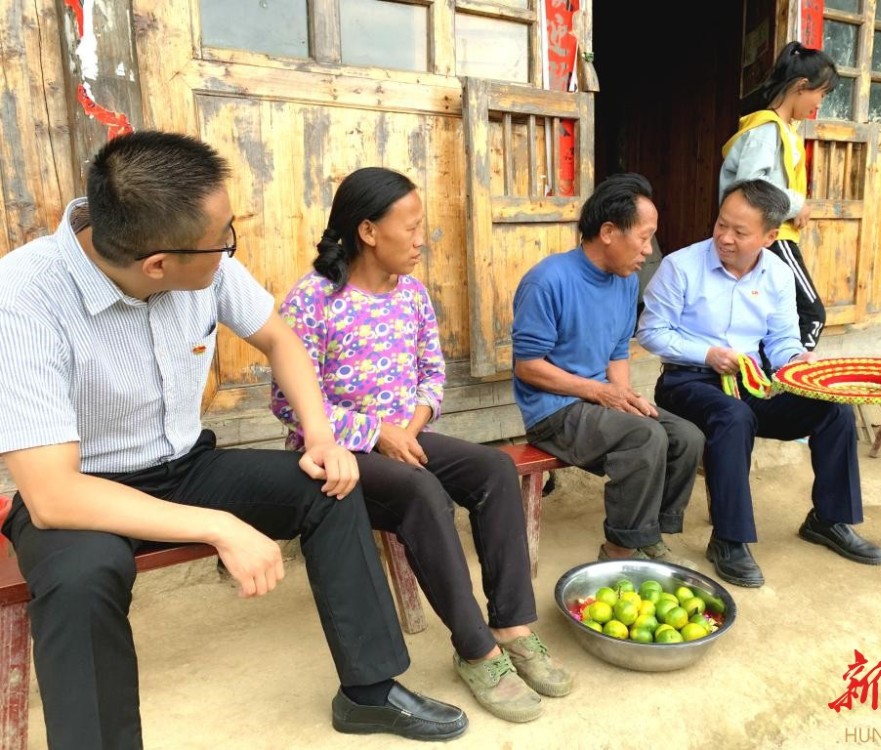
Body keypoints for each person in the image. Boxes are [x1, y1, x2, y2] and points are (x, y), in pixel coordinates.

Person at [0, 132, 468, 749]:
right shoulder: (24, 298)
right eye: (224, 239)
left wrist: (322, 436)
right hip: (85, 494)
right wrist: (219, 527)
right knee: (82, 581)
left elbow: (279, 339)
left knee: (327, 489)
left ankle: (369, 691)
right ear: (158, 266)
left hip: (184, 464)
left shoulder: (197, 253)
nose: (230, 248)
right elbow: (55, 495)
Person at [271, 167, 573, 724]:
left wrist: (407, 429)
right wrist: (376, 434)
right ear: (367, 231)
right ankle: (477, 649)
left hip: (408, 438)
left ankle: (511, 625)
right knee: (422, 492)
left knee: (493, 471)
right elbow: (288, 403)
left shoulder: (410, 293)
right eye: (409, 228)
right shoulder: (313, 299)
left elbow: (432, 376)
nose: (421, 240)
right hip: (336, 454)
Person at [636, 179, 881, 588]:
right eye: (721, 224)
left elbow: (782, 340)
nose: (725, 237)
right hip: (689, 381)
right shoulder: (681, 266)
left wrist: (796, 361)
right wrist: (708, 354)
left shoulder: (778, 275)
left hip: (754, 382)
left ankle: (828, 519)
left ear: (770, 237)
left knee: (833, 408)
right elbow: (652, 332)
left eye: (740, 232)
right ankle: (728, 539)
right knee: (732, 416)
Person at [510, 172, 705, 564]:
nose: (649, 252)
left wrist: (624, 396)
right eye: (644, 237)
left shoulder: (625, 281)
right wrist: (600, 392)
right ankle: (618, 549)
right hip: (553, 412)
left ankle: (649, 530)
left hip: (596, 401)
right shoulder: (547, 281)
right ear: (610, 231)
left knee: (686, 435)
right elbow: (528, 368)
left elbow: (618, 351)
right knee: (644, 437)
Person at [719, 40, 840, 352]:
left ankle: (772, 380)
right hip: (775, 237)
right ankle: (792, 382)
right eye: (821, 93)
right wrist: (796, 203)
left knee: (773, 317)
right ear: (801, 86)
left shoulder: (784, 129)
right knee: (811, 314)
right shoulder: (766, 130)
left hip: (775, 235)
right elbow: (749, 186)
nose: (819, 103)